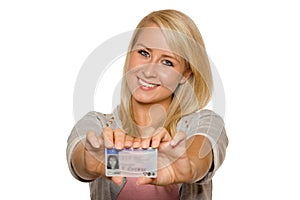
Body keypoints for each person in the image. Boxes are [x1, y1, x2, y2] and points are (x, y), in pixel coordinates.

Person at [67, 9, 228, 200]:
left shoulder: (204, 122)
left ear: (185, 75)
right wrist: (90, 161)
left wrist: (188, 167)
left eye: (167, 62)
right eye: (144, 53)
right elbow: (79, 155)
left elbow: (201, 154)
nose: (149, 71)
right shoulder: (99, 125)